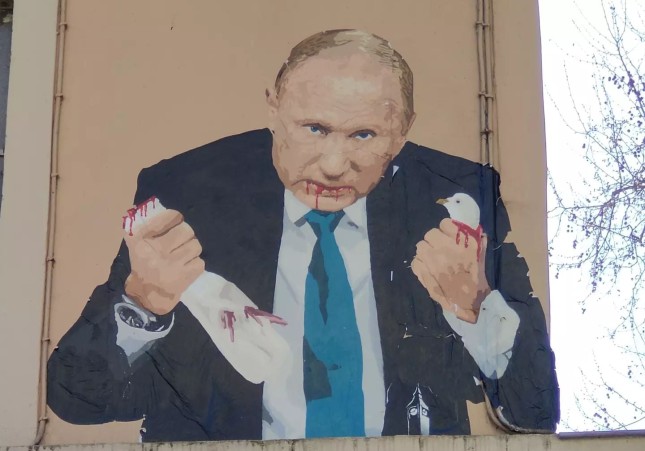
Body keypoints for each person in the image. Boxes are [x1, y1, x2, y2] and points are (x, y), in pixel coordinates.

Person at [47, 29, 558, 442]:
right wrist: (144, 302)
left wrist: (476, 309)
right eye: (314, 128)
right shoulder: (188, 192)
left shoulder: (455, 198)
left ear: (402, 131)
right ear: (273, 109)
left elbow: (536, 410)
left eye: (364, 135)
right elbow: (76, 397)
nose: (334, 166)